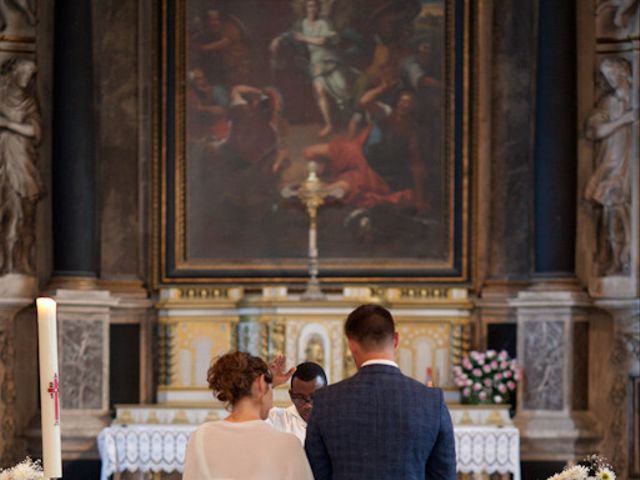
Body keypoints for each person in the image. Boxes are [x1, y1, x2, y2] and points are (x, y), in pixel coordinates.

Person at [305, 304, 457, 479]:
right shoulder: (431, 401)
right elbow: (444, 475)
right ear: (396, 340)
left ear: (352, 345)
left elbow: (315, 474)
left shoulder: (326, 401)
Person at [183, 351, 313, 480]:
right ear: (261, 383)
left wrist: (267, 384)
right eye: (270, 386)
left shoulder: (201, 437)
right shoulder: (288, 445)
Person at [271, 0, 351, 137]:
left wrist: (304, 38)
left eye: (315, 6)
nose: (312, 9)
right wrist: (277, 39)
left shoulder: (323, 22)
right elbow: (291, 34)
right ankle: (328, 124)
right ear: (305, 8)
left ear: (318, 8)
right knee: (319, 90)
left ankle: (348, 118)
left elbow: (323, 41)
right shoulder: (301, 23)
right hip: (316, 62)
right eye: (310, 6)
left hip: (329, 59)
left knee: (342, 89)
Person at [268, 361, 327, 444]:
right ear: (291, 395)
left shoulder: (339, 422)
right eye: (300, 398)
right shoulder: (277, 418)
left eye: (315, 397)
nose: (308, 406)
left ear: (327, 393)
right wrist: (269, 385)